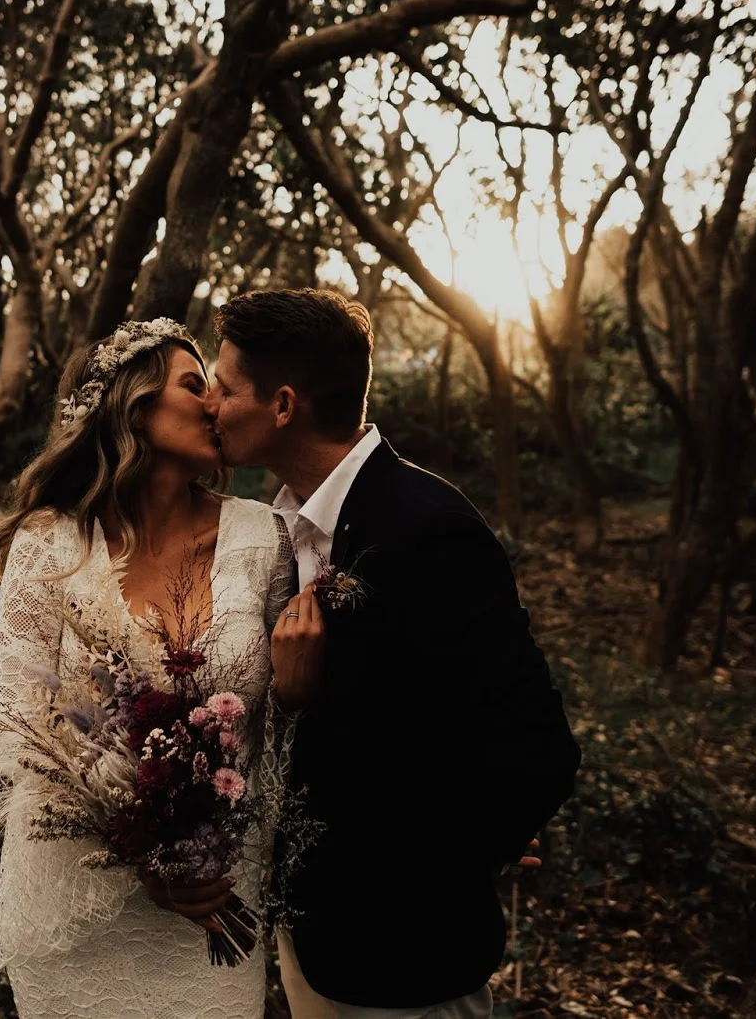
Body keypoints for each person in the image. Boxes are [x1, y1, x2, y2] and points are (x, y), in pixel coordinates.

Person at [0, 319, 306, 1017]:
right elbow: (15, 733)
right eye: (194, 385)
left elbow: (286, 727)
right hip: (79, 906)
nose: (215, 404)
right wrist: (141, 847)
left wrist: (203, 848)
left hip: (216, 896)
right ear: (133, 406)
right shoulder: (47, 543)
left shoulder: (263, 537)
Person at [206, 288, 582, 1019]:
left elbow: (537, 751)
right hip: (310, 941)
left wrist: (454, 860)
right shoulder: (275, 529)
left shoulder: (428, 529)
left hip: (408, 964)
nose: (211, 406)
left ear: (284, 406)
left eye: (224, 388)